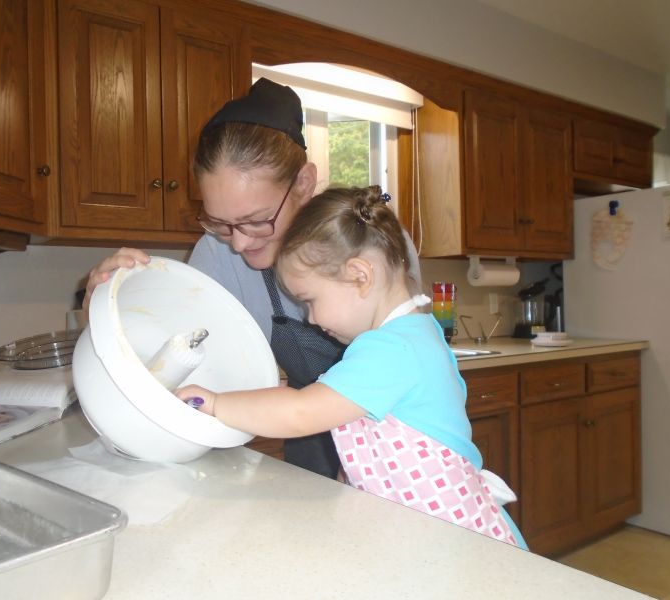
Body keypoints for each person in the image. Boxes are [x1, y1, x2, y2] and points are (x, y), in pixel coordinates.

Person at [83, 78, 422, 480]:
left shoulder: (372, 243)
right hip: (303, 434)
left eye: (256, 221)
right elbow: (170, 361)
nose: (240, 244)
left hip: (398, 441)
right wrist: (103, 307)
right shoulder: (217, 254)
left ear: (303, 183)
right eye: (221, 223)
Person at [176, 186, 527, 549]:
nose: (310, 319)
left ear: (360, 276)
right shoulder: (405, 336)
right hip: (418, 538)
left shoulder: (393, 348)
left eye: (310, 300)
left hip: (451, 541)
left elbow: (300, 412)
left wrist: (216, 403)